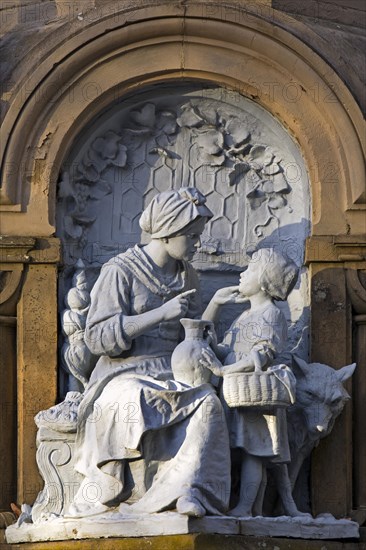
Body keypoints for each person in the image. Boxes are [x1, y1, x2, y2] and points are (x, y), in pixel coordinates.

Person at [69, 187, 231, 518]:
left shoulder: (188, 275)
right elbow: (97, 339)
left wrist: (214, 305)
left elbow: (194, 331)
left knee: (210, 403)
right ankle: (119, 491)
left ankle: (188, 490)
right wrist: (160, 313)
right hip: (123, 370)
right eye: (192, 236)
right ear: (169, 231)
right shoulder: (121, 271)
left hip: (173, 369)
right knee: (134, 397)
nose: (197, 244)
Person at [201, 248, 305, 517]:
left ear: (262, 280)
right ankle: (245, 505)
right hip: (236, 392)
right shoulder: (244, 315)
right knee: (243, 449)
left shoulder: (271, 314)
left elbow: (261, 356)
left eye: (248, 269)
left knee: (254, 453)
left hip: (255, 396)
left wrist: (223, 371)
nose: (241, 274)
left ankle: (245, 508)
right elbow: (224, 348)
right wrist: (215, 305)